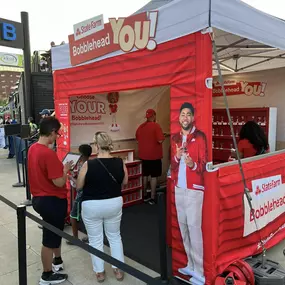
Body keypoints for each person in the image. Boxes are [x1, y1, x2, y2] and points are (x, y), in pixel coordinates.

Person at [77, 131, 128, 283]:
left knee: (95, 240)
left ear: (97, 146)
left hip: (92, 205)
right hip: (114, 203)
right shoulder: (120, 162)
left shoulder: (88, 164)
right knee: (114, 236)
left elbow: (79, 186)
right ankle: (117, 269)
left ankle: (100, 272)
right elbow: (124, 182)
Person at [28, 117, 73, 285]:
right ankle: (46, 275)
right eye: (57, 134)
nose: (57, 137)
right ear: (52, 132)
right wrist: (66, 170)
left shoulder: (33, 148)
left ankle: (57, 261)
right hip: (51, 200)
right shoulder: (48, 153)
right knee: (49, 238)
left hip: (39, 198)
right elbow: (59, 182)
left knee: (54, 233)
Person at [171, 102, 207, 284]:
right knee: (183, 228)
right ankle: (190, 265)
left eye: (188, 114)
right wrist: (177, 157)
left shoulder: (200, 137)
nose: (185, 117)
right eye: (182, 114)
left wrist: (193, 164)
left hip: (194, 190)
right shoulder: (175, 138)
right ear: (179, 117)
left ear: (193, 117)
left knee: (194, 230)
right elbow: (172, 166)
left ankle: (200, 271)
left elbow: (204, 166)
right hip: (179, 189)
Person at [135, 109, 165, 205]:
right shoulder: (156, 126)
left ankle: (144, 195)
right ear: (154, 116)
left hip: (143, 156)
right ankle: (152, 197)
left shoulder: (140, 127)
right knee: (154, 176)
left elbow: (137, 140)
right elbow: (160, 140)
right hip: (154, 156)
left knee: (145, 175)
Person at [67, 144, 92, 245]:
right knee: (88, 217)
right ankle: (90, 237)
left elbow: (79, 184)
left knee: (73, 215)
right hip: (90, 194)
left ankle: (75, 238)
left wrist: (71, 178)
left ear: (81, 154)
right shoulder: (90, 163)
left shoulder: (83, 165)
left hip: (81, 194)